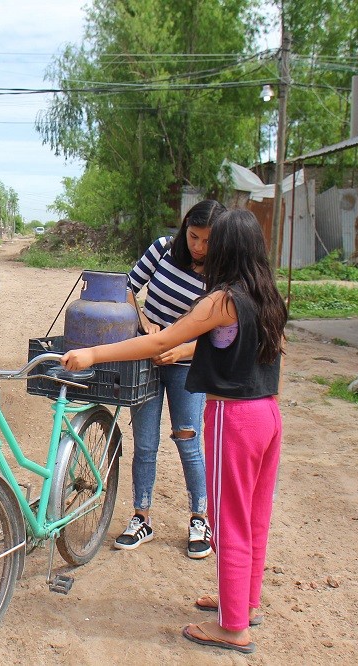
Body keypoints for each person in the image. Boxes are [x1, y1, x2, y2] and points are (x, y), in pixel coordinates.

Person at [62, 208, 286, 655]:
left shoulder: (221, 300)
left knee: (230, 523)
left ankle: (233, 627)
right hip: (268, 416)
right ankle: (244, 604)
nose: (201, 249)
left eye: (212, 241)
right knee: (254, 517)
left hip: (234, 420)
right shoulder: (266, 296)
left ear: (227, 248)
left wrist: (93, 354)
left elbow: (160, 342)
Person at [114, 199, 224, 559]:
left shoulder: (221, 274)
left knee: (188, 440)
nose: (199, 247)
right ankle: (141, 516)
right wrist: (144, 324)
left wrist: (180, 349)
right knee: (145, 443)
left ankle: (199, 518)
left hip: (187, 364)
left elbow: (216, 335)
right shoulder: (161, 250)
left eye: (208, 241)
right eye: (194, 237)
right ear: (184, 228)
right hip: (146, 357)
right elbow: (126, 287)